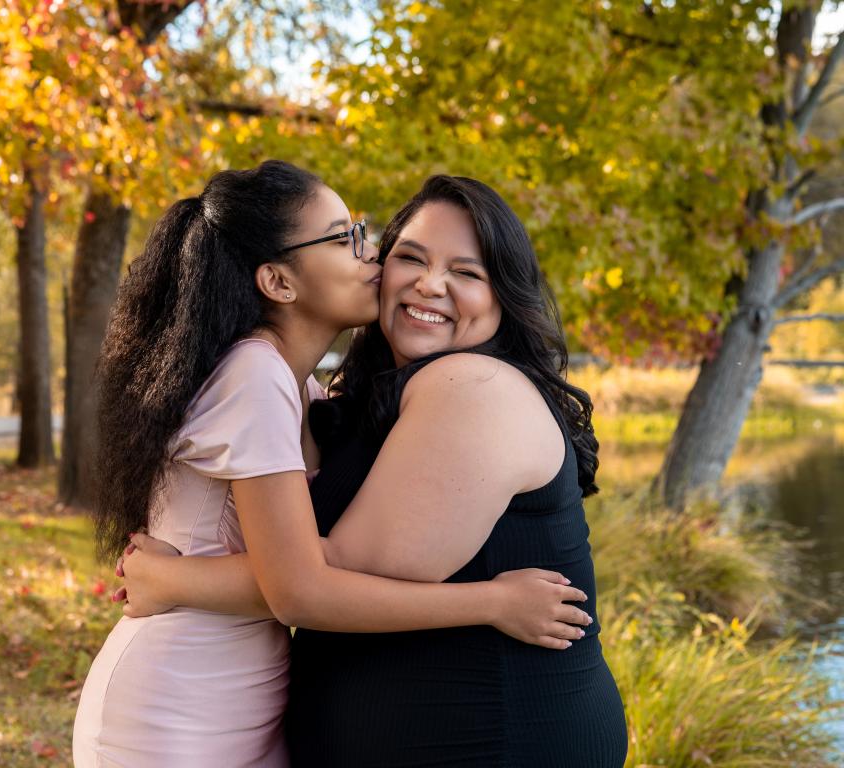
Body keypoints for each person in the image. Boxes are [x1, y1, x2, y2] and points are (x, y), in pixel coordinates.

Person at [73, 161, 592, 768]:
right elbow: (302, 583)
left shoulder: (306, 390)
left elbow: (308, 570)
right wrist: (491, 601)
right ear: (279, 282)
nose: (370, 255)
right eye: (346, 238)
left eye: (364, 234)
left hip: (242, 691)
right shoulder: (257, 372)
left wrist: (171, 579)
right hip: (185, 700)